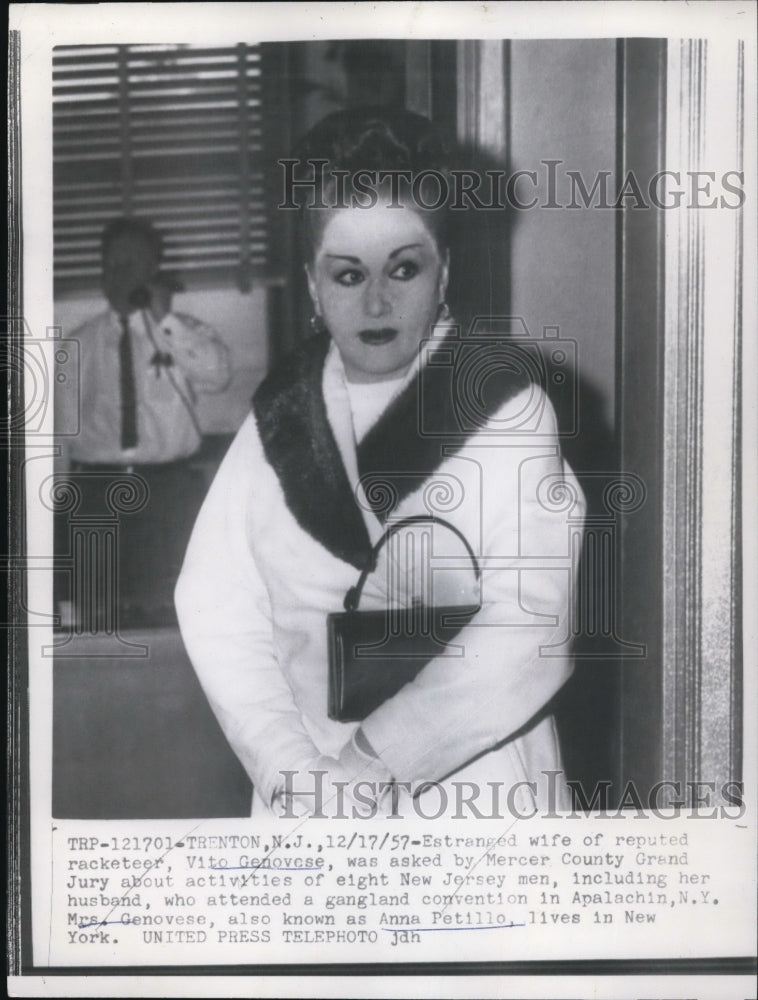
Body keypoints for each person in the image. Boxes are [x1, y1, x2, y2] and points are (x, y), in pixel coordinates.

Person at [175, 108, 585, 818]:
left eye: (403, 267)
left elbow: (532, 625)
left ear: (444, 269)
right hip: (312, 792)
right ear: (311, 283)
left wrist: (377, 758)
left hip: (473, 791)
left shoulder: (507, 407)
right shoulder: (279, 417)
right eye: (347, 273)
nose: (376, 300)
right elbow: (215, 607)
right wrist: (291, 766)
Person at [56, 217, 230, 623]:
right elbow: (58, 436)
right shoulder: (77, 344)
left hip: (167, 490)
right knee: (95, 617)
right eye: (112, 264)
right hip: (95, 493)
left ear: (154, 271)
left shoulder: (185, 333)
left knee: (175, 616)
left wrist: (164, 321)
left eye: (132, 264)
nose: (120, 274)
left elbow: (218, 376)